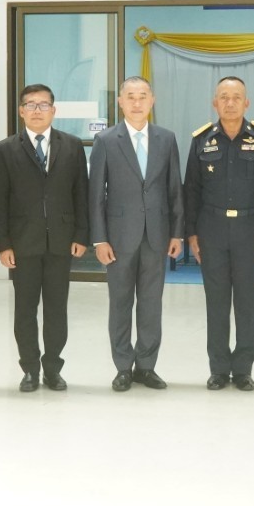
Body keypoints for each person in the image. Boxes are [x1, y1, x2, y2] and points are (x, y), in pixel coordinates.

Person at [184, 76, 254, 391]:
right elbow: (191, 190)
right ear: (215, 103)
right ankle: (218, 368)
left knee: (247, 302)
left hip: (250, 229)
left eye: (236, 97)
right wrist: (191, 233)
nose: (230, 103)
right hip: (211, 229)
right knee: (216, 302)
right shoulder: (201, 140)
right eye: (223, 97)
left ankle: (242, 370)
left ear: (246, 103)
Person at [89, 76, 184, 392]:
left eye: (143, 95)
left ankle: (146, 366)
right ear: (120, 102)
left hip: (157, 235)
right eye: (130, 96)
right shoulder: (106, 140)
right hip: (118, 238)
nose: (137, 102)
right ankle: (122, 367)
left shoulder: (166, 139)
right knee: (120, 303)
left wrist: (177, 234)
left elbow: (174, 189)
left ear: (152, 100)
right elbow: (95, 195)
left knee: (151, 304)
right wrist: (100, 239)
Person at [0, 83, 89, 392]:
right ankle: (30, 369)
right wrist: (3, 243)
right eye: (31, 105)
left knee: (56, 310)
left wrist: (81, 234)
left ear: (53, 110)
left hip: (61, 241)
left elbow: (81, 194)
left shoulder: (72, 145)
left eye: (43, 105)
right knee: (25, 310)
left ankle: (53, 369)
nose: (37, 110)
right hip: (23, 244)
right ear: (21, 111)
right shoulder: (5, 149)